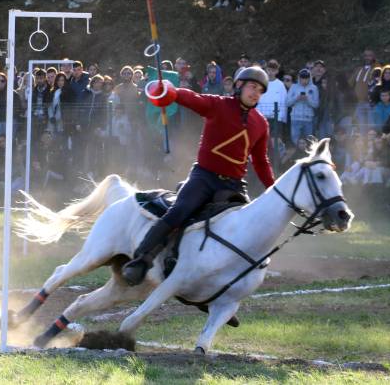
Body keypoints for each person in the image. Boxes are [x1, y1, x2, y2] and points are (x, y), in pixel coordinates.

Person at [121, 66, 275, 286]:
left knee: (248, 231)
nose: (256, 93)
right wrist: (170, 92)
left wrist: (274, 188)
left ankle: (225, 289)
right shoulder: (219, 105)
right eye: (252, 87)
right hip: (204, 177)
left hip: (234, 186)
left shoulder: (261, 123)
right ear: (239, 86)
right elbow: (192, 98)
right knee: (180, 211)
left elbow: (261, 162)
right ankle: (141, 260)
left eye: (260, 90)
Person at [285, 68, 319, 144]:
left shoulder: (314, 88)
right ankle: (297, 155)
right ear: (299, 78)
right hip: (295, 118)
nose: (304, 80)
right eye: (302, 78)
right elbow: (287, 103)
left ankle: (307, 155)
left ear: (309, 78)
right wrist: (296, 98)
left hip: (308, 119)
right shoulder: (293, 87)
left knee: (309, 141)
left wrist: (308, 99)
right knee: (295, 140)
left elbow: (316, 105)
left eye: (306, 78)